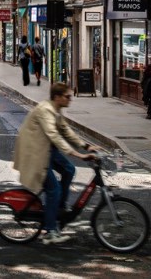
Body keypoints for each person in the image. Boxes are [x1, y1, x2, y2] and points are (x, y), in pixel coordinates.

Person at [13, 82, 97, 245]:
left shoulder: (56, 110)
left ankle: (59, 208)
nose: (70, 100)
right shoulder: (46, 110)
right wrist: (77, 154)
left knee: (69, 170)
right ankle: (50, 231)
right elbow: (54, 135)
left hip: (47, 150)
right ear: (57, 97)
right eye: (67, 97)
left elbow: (66, 131)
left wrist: (86, 146)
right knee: (54, 189)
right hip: (36, 152)